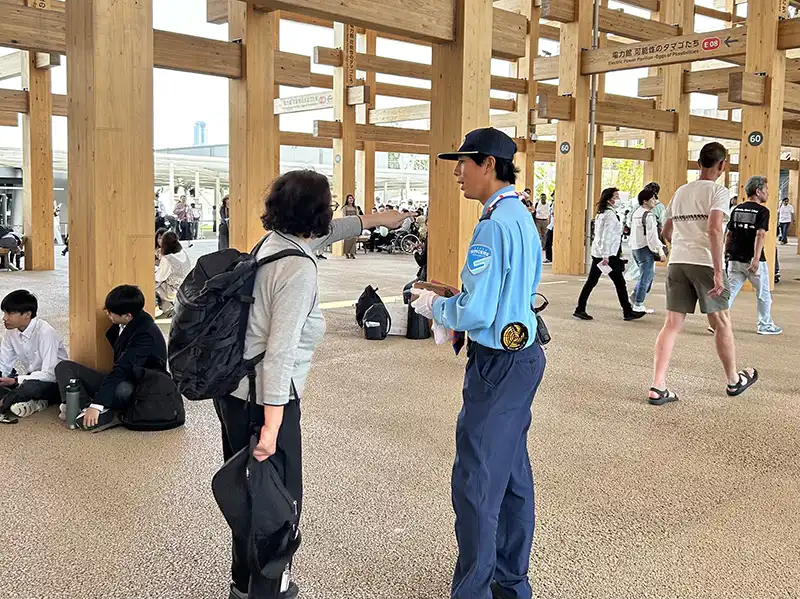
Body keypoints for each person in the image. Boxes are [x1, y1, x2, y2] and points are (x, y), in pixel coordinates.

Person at [215, 170, 406, 599]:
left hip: (234, 393)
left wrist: (378, 219)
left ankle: (244, 583)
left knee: (248, 496)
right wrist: (272, 425)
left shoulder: (273, 246)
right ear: (318, 210)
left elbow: (332, 232)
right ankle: (269, 588)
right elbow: (280, 352)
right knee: (277, 502)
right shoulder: (298, 270)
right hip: (266, 400)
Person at [410, 128, 546, 599]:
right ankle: (511, 581)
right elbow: (506, 292)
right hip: (523, 356)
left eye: (464, 162)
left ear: (489, 164)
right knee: (509, 475)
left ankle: (473, 590)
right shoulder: (519, 214)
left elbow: (477, 313)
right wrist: (459, 294)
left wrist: (435, 307)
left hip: (497, 365)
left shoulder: (492, 224)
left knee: (476, 481)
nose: (456, 172)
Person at [649, 142, 758, 406]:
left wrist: (681, 246)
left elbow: (666, 231)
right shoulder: (719, 192)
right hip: (705, 264)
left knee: (672, 324)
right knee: (721, 323)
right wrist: (719, 270)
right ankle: (734, 380)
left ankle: (658, 386)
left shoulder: (681, 191)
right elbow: (714, 229)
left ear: (699, 164)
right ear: (722, 166)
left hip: (677, 263)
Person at [55, 285, 167, 427]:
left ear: (128, 315)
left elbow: (122, 368)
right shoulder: (126, 323)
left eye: (111, 312)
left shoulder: (145, 334)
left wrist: (97, 404)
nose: (108, 314)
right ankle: (88, 409)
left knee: (122, 390)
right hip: (123, 378)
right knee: (64, 367)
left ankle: (96, 409)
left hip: (140, 388)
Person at [574, 188, 645, 321]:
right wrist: (606, 255)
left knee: (592, 282)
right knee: (619, 283)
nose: (618, 199)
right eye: (616, 196)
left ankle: (580, 308)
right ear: (609, 200)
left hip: (600, 254)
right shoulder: (610, 216)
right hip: (607, 256)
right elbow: (607, 236)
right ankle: (627, 311)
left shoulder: (603, 213)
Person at [726, 176, 782, 335]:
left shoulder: (736, 209)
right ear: (758, 191)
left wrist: (726, 253)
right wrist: (756, 258)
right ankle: (765, 325)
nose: (768, 194)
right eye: (766, 190)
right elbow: (760, 235)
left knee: (730, 291)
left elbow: (729, 234)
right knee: (763, 294)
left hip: (735, 256)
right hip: (753, 259)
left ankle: (718, 322)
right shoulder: (763, 211)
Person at [0, 290, 67, 419]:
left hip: (53, 382)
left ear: (27, 315)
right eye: (4, 313)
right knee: (18, 384)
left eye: (9, 313)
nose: (4, 318)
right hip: (29, 377)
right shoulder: (11, 332)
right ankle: (30, 402)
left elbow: (50, 374)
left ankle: (4, 403)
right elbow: (4, 363)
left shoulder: (45, 332)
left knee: (30, 387)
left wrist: (15, 381)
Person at [629, 188, 666, 313]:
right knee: (646, 277)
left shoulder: (636, 213)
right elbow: (652, 237)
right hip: (645, 249)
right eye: (652, 199)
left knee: (646, 276)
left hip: (636, 248)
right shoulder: (649, 215)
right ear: (645, 201)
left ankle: (635, 297)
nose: (655, 201)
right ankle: (638, 303)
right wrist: (660, 251)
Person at [155, 231, 193, 318]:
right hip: (185, 288)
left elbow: (159, 277)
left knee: (150, 284)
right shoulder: (183, 253)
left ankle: (157, 308)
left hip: (171, 290)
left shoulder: (168, 259)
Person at [341, 194, 359, 259]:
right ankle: (346, 253)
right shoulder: (345, 207)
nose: (351, 199)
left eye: (352, 198)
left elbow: (358, 216)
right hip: (347, 225)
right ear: (347, 200)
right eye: (349, 198)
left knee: (353, 239)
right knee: (347, 239)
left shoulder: (355, 208)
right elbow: (343, 216)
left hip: (354, 225)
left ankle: (352, 253)